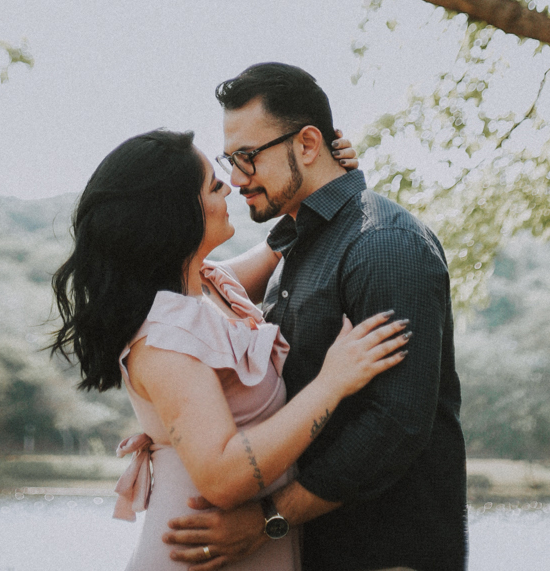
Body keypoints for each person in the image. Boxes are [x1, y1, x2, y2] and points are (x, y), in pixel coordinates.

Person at [50, 128, 409, 570]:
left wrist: (328, 178)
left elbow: (291, 237)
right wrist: (332, 383)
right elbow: (222, 476)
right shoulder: (164, 338)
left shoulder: (213, 287)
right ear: (176, 213)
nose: (232, 189)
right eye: (216, 186)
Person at [163, 63, 467, 571]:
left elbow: (394, 426)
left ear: (307, 145)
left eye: (247, 158)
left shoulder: (384, 245)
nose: (236, 179)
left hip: (390, 553)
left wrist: (267, 521)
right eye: (229, 160)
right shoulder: (301, 244)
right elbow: (196, 295)